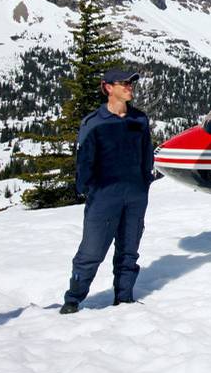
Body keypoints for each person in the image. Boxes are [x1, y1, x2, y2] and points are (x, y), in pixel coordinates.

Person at [60, 69, 154, 314]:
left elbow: (147, 155)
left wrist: (144, 183)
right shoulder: (94, 123)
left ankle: (124, 299)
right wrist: (90, 190)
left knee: (129, 251)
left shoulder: (139, 120)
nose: (130, 87)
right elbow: (84, 162)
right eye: (124, 83)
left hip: (135, 195)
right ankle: (73, 299)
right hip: (104, 197)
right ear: (108, 87)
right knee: (92, 251)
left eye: (131, 83)